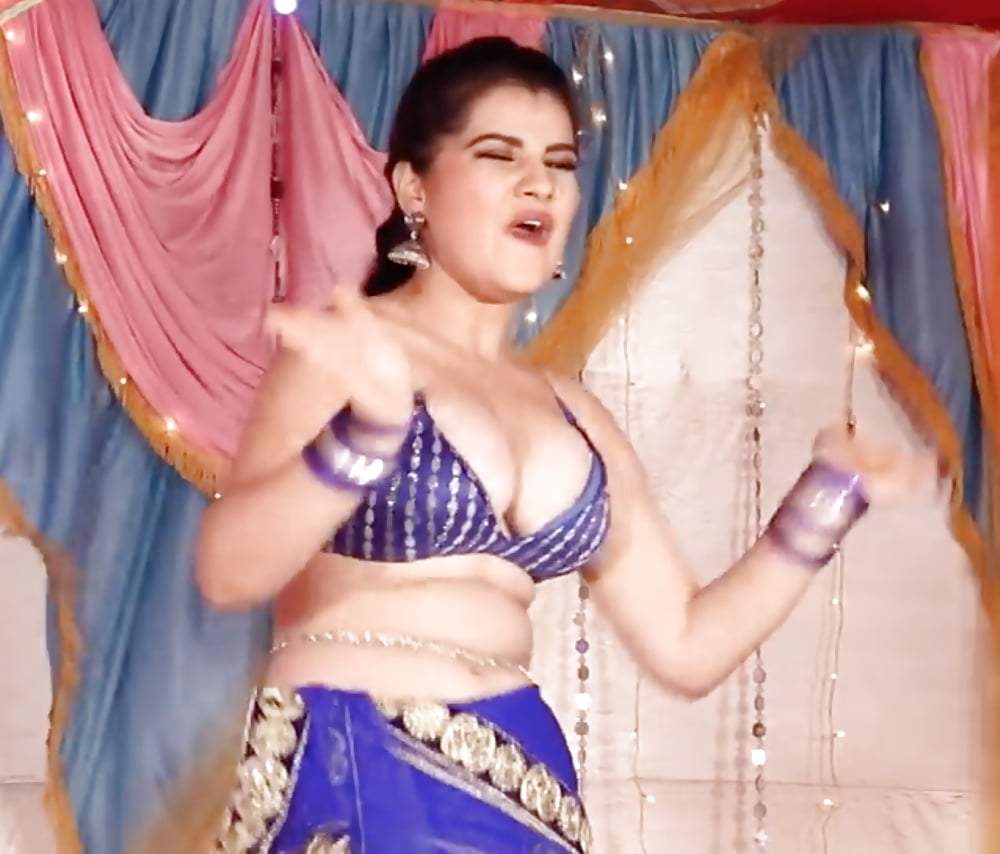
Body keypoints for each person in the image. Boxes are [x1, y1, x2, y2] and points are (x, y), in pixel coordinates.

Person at [195, 37, 935, 854]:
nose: (538, 182)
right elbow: (231, 572)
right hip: (363, 771)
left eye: (558, 162)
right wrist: (364, 437)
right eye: (498, 155)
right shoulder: (352, 349)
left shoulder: (575, 415)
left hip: (526, 787)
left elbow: (685, 644)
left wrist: (827, 500)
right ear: (413, 187)